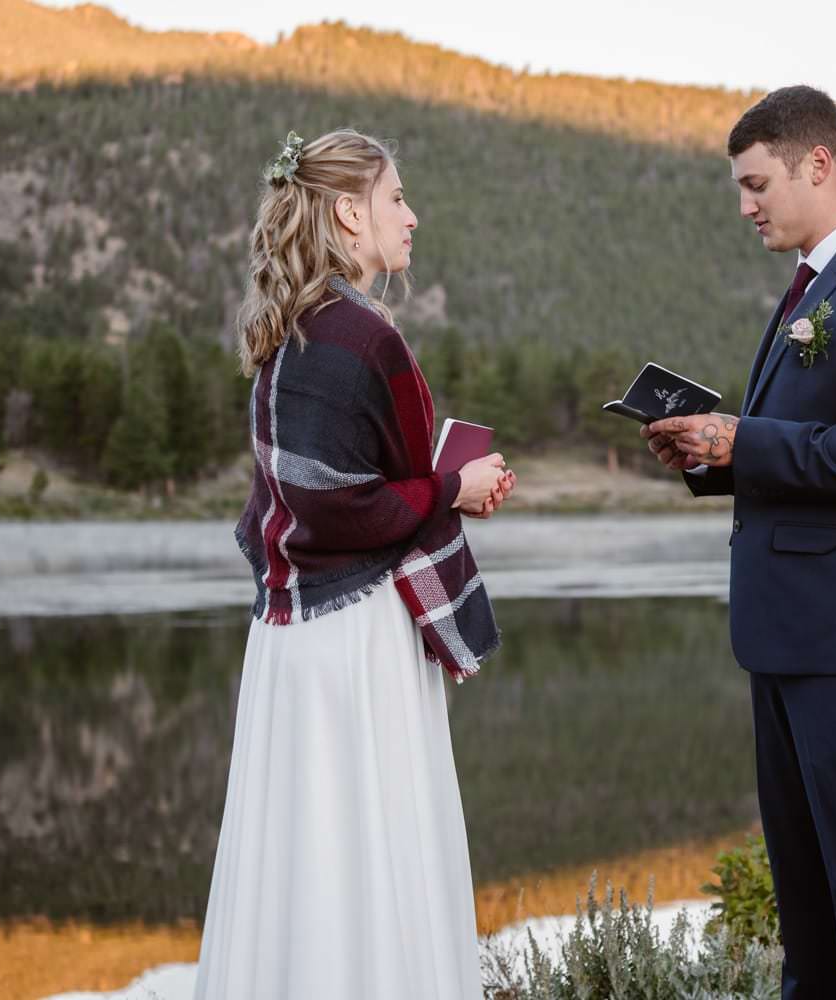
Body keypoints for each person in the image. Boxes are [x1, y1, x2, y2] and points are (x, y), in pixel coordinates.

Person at [643, 86, 836, 1000]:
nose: (745, 206)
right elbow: (807, 451)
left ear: (817, 164)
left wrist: (746, 438)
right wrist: (711, 452)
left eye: (755, 183)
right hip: (794, 642)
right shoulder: (812, 292)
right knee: (809, 903)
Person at [193, 128, 513, 999]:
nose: (412, 216)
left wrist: (435, 482)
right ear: (348, 211)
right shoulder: (365, 337)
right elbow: (345, 503)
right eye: (397, 198)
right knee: (374, 844)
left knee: (298, 854)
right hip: (359, 637)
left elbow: (308, 497)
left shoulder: (284, 333)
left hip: (291, 641)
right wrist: (456, 487)